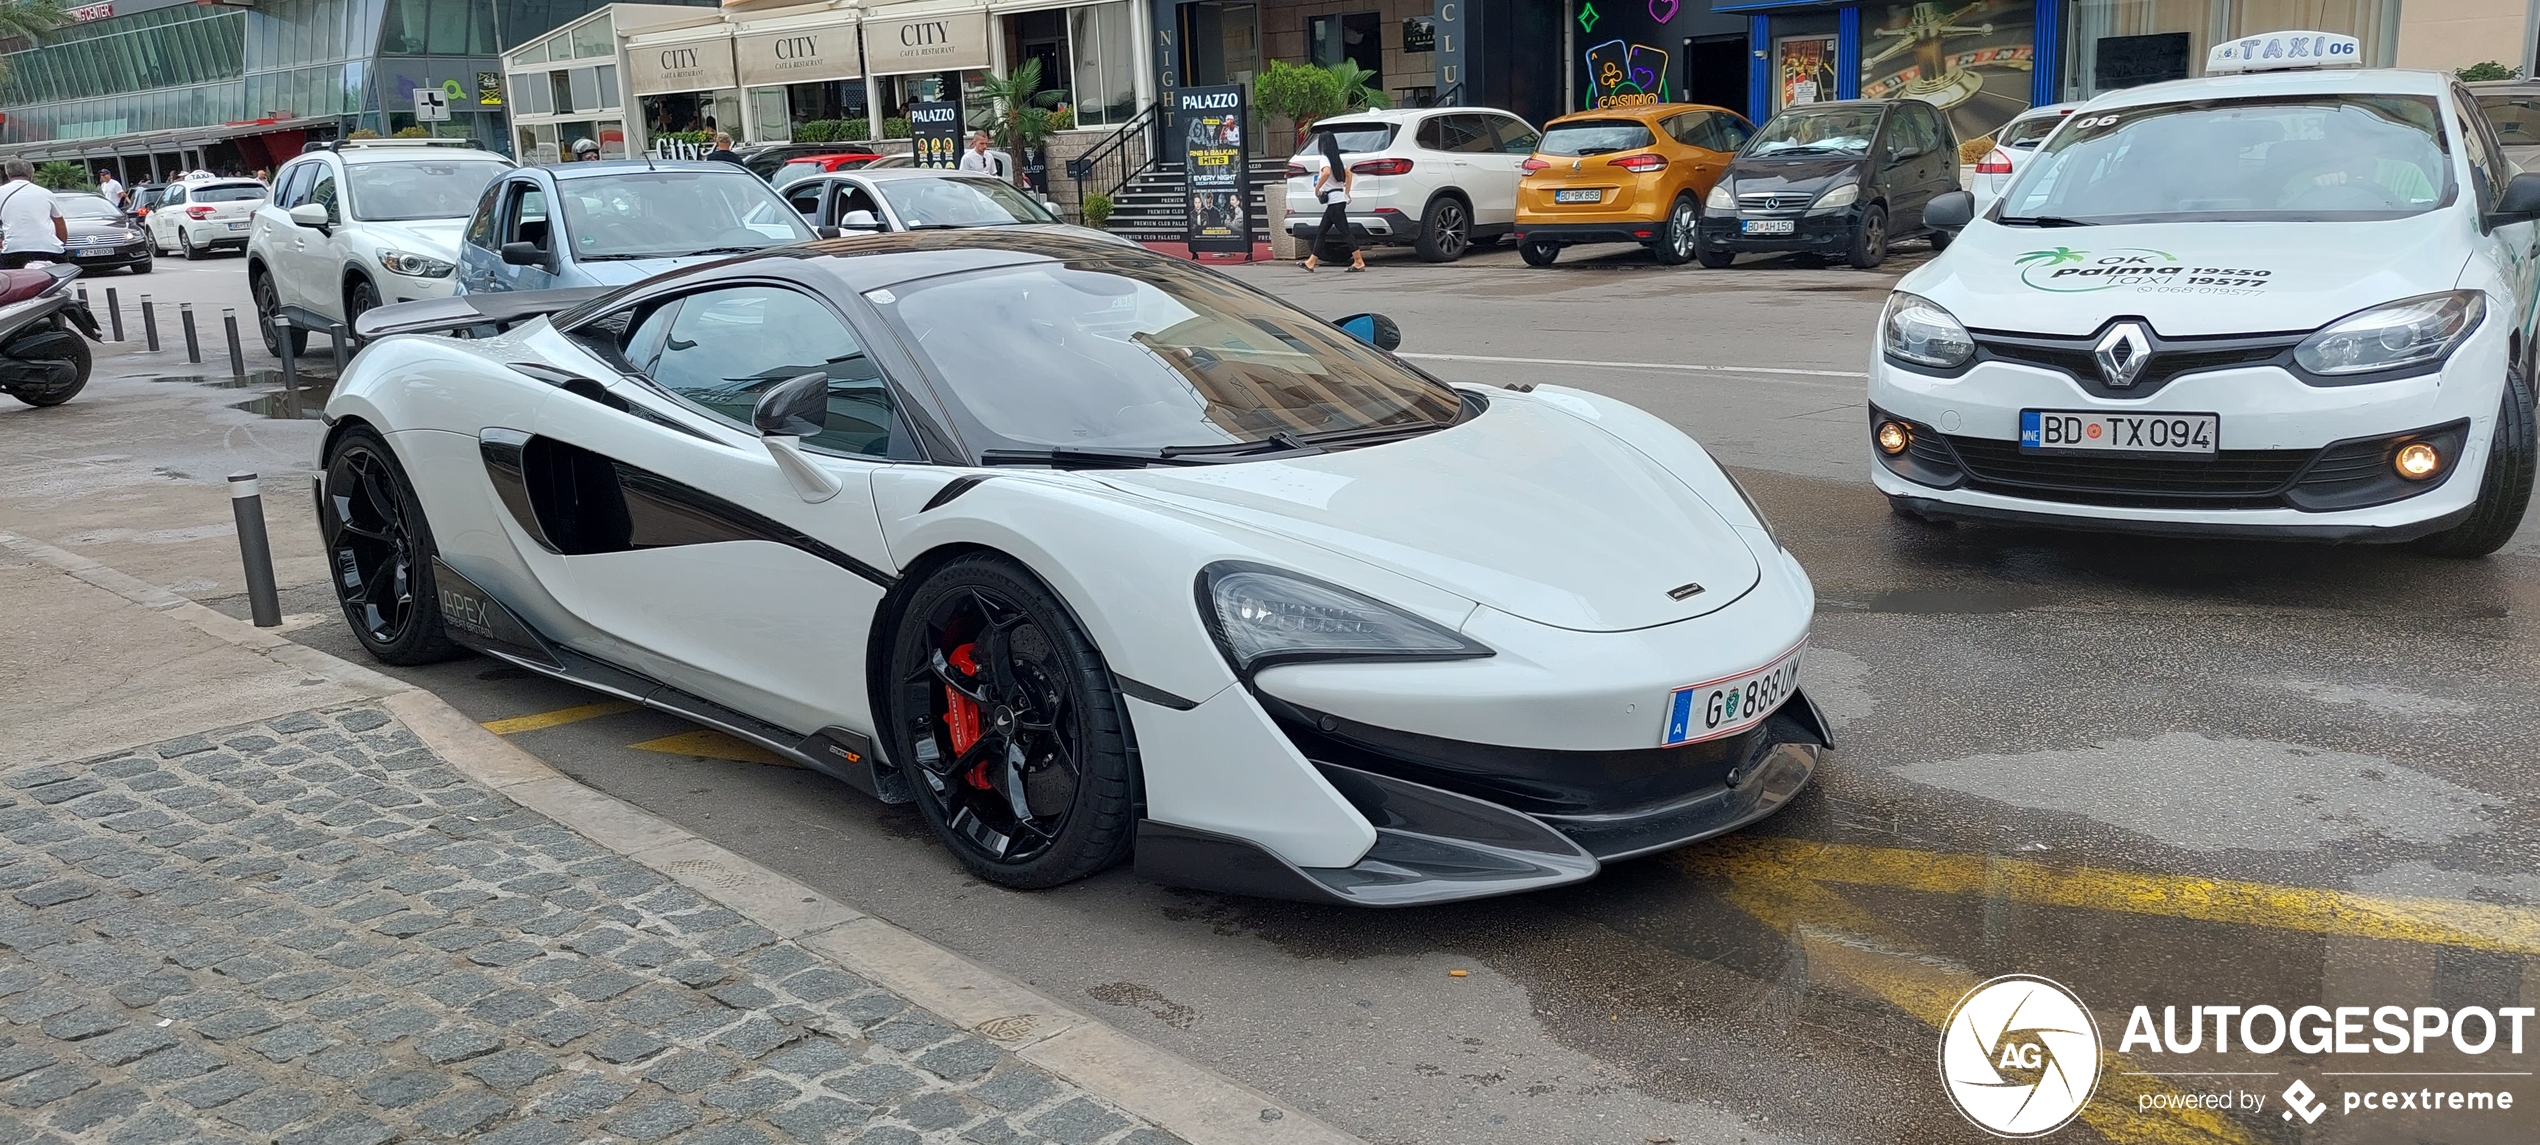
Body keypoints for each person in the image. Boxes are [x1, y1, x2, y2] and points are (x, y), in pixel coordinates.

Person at [1301, 131, 1364, 273]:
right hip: (1337, 200)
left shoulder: (1324, 159)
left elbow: (1326, 172)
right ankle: (1311, 261)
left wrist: (1317, 188)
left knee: (1345, 232)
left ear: (1321, 144)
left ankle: (1359, 261)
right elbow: (1349, 174)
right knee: (1322, 231)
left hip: (1334, 201)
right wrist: (1346, 192)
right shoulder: (1336, 158)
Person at [0, 158, 67, 269]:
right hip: (49, 250)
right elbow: (59, 223)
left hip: (13, 250)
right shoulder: (46, 193)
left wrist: (2, 243)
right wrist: (60, 244)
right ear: (31, 174)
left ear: (8, 174)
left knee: (12, 284)